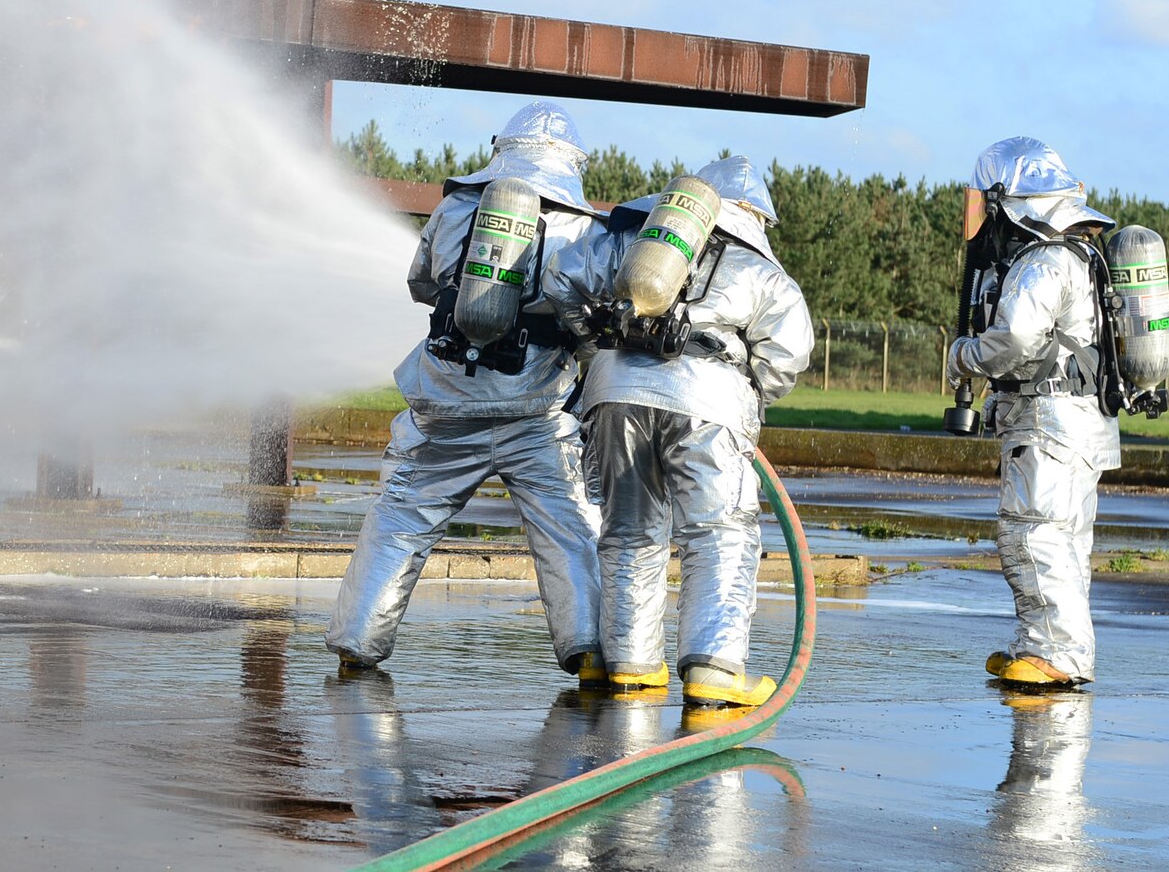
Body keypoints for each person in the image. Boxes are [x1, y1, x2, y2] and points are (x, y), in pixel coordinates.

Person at [327, 102, 606, 681]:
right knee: (570, 530)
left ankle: (358, 641)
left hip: (445, 400)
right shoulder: (585, 229)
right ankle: (588, 651)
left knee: (401, 519)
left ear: (502, 150)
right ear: (573, 164)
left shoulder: (456, 206)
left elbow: (421, 284)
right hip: (538, 413)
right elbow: (592, 323)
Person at [550, 155, 813, 707]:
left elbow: (560, 278)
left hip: (614, 391)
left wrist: (595, 347)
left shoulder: (629, 241)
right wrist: (750, 393)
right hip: (707, 400)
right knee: (719, 532)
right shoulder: (761, 269)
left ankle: (631, 665)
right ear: (754, 216)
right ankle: (714, 671)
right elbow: (789, 355)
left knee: (628, 529)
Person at [946, 137, 1118, 689]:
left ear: (1010, 200)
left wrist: (963, 356)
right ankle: (1043, 646)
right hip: (1083, 420)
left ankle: (1058, 655)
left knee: (1032, 534)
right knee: (1065, 542)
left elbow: (1016, 335)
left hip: (1049, 421)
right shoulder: (1084, 254)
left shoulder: (1042, 260)